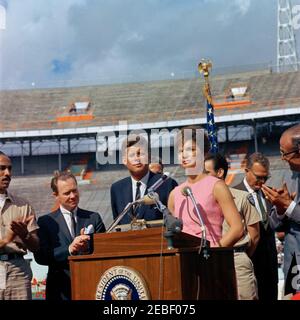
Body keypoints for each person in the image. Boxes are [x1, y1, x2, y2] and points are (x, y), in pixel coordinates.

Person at [34, 171, 106, 300]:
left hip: (92, 286)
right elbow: (41, 257)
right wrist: (69, 249)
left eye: (75, 190)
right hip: (60, 291)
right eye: (67, 193)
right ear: (55, 195)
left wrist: (87, 250)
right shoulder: (45, 222)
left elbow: (105, 251)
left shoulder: (93, 218)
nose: (73, 196)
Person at [168, 127, 243, 248]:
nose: (184, 155)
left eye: (191, 149)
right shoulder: (174, 194)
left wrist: (215, 250)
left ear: (204, 152)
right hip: (183, 260)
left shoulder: (217, 186)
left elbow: (238, 228)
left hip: (210, 260)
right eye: (180, 151)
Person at [204, 153, 260, 300]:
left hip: (237, 259)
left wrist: (241, 254)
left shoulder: (242, 198)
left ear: (220, 172)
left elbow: (254, 235)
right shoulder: (199, 202)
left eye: (206, 173)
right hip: (209, 261)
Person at [262, 124, 300, 293]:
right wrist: (279, 209)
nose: (283, 158)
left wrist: (289, 206)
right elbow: (276, 226)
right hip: (294, 264)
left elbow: (291, 208)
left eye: (285, 153)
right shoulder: (288, 177)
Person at [234, 152, 278, 300]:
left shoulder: (269, 194)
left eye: (265, 177)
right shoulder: (233, 194)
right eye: (258, 177)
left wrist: (282, 209)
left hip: (270, 267)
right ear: (246, 171)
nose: (262, 181)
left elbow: (272, 226)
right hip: (248, 266)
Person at [110, 134, 178, 224]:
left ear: (149, 157)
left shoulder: (167, 184)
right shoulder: (117, 189)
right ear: (124, 160)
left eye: (140, 154)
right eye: (131, 155)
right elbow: (118, 226)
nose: (137, 159)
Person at [0, 151, 39, 300]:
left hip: (18, 273)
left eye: (9, 168)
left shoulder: (23, 205)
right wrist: (6, 240)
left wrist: (26, 235)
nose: (7, 173)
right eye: (2, 168)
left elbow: (36, 247)